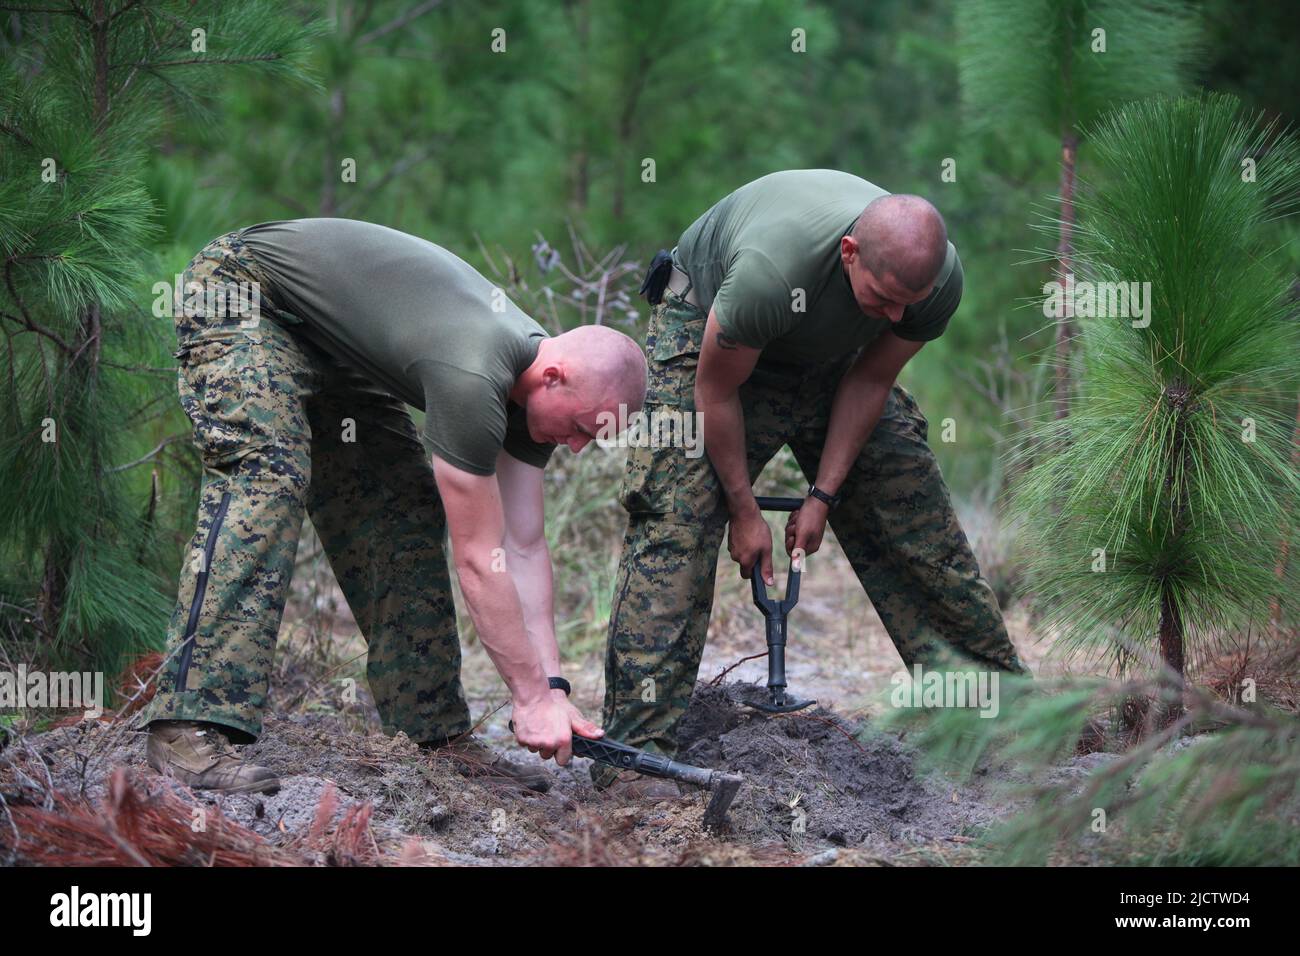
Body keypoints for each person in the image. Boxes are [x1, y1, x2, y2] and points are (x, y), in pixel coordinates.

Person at [140, 218, 647, 794]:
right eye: (581, 429)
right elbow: (480, 558)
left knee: (402, 506)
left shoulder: (533, 400)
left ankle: (434, 736)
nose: (578, 447)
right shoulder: (474, 372)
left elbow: (523, 547)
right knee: (267, 477)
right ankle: (187, 726)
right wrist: (525, 699)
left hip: (331, 339)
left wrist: (551, 687)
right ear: (555, 377)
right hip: (246, 291)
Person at [597, 170, 1030, 797]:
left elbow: (869, 382)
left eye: (909, 303)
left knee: (911, 508)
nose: (897, 315)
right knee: (677, 516)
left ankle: (996, 721)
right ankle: (637, 752)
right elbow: (715, 391)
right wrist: (745, 513)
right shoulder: (772, 271)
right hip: (709, 335)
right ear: (850, 253)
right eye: (882, 298)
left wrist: (823, 495)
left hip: (834, 357)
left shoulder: (929, 286)